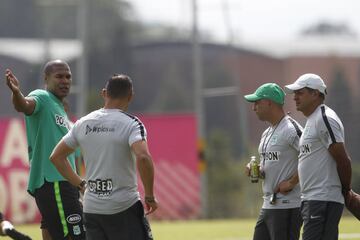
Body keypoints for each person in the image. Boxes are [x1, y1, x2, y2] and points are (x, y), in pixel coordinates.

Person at [50, 74, 158, 240]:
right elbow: (143, 158)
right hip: (124, 207)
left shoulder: (83, 123)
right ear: (130, 96)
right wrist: (149, 196)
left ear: (104, 93)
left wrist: (81, 184)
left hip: (92, 209)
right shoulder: (132, 124)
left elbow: (56, 157)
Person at [5, 60, 86, 240]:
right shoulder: (42, 97)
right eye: (59, 76)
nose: (65, 81)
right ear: (46, 78)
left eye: (68, 76)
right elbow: (24, 105)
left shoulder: (60, 109)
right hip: (55, 182)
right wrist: (17, 93)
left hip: (62, 184)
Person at [284, 73, 352, 240]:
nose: (295, 98)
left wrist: (346, 190)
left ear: (315, 93)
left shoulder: (324, 118)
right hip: (313, 199)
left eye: (300, 92)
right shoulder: (312, 120)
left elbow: (343, 160)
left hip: (322, 199)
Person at [244, 83, 303, 240]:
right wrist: (257, 170)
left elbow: (312, 157)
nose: (253, 107)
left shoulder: (291, 128)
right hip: (268, 204)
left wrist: (291, 182)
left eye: (257, 102)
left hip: (289, 205)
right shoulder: (267, 132)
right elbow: (269, 166)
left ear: (269, 102)